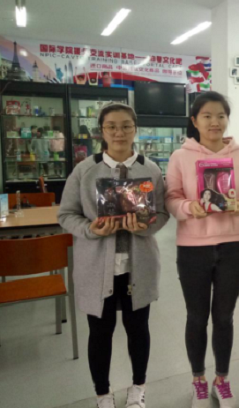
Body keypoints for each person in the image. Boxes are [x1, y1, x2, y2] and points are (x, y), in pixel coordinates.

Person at [58, 102, 169, 408]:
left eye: (126, 126)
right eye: (111, 126)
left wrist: (145, 227)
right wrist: (91, 229)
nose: (119, 132)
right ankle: (102, 393)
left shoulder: (151, 169)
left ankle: (138, 387)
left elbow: (162, 214)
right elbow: (66, 215)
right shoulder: (84, 170)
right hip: (96, 267)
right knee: (100, 332)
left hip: (138, 265)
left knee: (138, 330)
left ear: (135, 130)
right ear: (102, 131)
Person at [165, 91, 239, 408]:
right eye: (207, 116)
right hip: (193, 249)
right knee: (196, 317)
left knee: (224, 317)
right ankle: (198, 382)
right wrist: (189, 207)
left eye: (220, 115)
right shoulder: (180, 157)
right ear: (195, 120)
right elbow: (171, 197)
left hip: (232, 247)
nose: (214, 122)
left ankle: (222, 379)